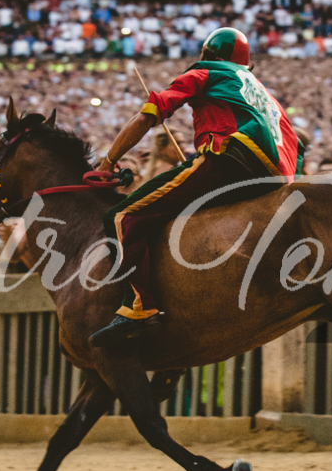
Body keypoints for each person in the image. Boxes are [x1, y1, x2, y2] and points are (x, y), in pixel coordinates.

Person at [91, 26, 299, 348]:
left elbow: (151, 114)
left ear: (207, 55)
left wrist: (107, 162)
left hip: (233, 158)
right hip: (278, 175)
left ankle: (139, 308)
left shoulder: (206, 70)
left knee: (122, 217)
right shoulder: (261, 91)